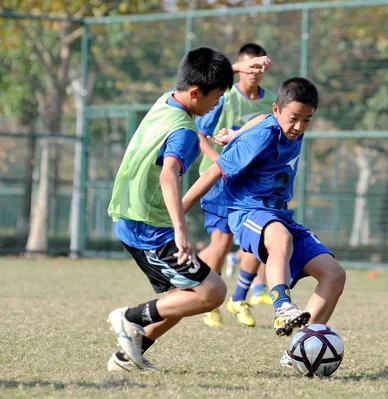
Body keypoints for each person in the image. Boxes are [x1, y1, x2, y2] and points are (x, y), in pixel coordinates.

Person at [105, 46, 271, 372]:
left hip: (135, 216)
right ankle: (128, 318)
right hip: (148, 225)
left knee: (182, 299)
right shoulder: (184, 131)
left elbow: (197, 77)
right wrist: (181, 230)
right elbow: (169, 174)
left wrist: (237, 67)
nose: (216, 105)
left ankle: (128, 357)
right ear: (196, 93)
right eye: (215, 98)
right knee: (211, 292)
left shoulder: (166, 100)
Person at [182, 77, 346, 367]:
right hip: (246, 211)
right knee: (279, 238)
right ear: (278, 110)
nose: (299, 126)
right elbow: (211, 173)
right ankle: (282, 306)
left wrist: (234, 133)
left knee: (334, 275)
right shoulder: (262, 136)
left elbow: (260, 116)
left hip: (279, 212)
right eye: (294, 118)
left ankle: (298, 349)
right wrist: (177, 213)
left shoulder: (287, 128)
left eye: (307, 120)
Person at [196, 43, 275, 328]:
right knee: (222, 242)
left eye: (259, 67)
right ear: (240, 67)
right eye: (249, 66)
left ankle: (241, 296)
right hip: (219, 179)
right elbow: (202, 134)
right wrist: (221, 163)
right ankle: (207, 301)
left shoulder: (272, 102)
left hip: (252, 182)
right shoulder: (225, 96)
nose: (254, 73)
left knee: (260, 237)